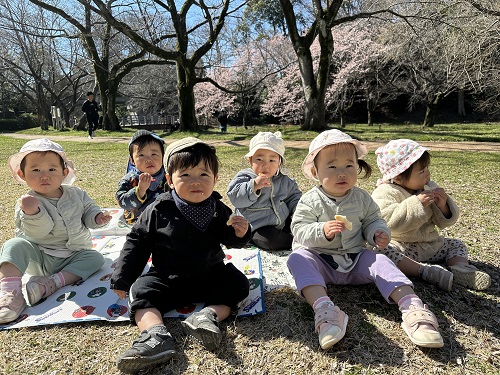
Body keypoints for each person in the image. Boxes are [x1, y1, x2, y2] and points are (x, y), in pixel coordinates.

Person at [287, 129, 444, 350]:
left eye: (349, 166)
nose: (342, 173)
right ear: (315, 171)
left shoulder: (362, 198)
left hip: (355, 259)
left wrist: (377, 233)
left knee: (381, 261)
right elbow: (299, 229)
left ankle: (412, 306)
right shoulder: (310, 200)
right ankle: (325, 309)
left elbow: (374, 220)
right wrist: (322, 229)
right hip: (320, 260)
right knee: (297, 258)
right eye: (332, 167)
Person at [110, 137, 251, 374]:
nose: (195, 182)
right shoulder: (158, 208)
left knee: (238, 284)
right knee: (141, 292)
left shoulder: (217, 208)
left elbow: (230, 238)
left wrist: (240, 233)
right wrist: (123, 276)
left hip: (210, 274)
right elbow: (138, 242)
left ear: (215, 179)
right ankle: (155, 335)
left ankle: (206, 317)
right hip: (167, 277)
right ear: (170, 180)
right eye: (185, 175)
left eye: (204, 175)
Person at [0, 139, 111, 324]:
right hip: (40, 256)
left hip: (74, 255)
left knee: (96, 258)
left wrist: (97, 218)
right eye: (35, 170)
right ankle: (10, 295)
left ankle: (49, 284)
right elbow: (39, 233)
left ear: (64, 173)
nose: (44, 176)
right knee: (13, 245)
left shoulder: (77, 194)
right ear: (22, 174)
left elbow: (89, 211)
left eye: (52, 169)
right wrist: (33, 212)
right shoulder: (26, 202)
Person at [372, 139, 491, 291]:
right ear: (397, 177)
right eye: (421, 171)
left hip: (431, 245)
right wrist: (417, 204)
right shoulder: (385, 192)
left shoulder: (429, 187)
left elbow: (443, 222)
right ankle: (423, 271)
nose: (427, 174)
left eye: (427, 168)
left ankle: (461, 268)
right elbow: (388, 221)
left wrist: (443, 205)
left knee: (456, 244)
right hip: (402, 247)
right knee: (379, 250)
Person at [227, 131, 302, 251]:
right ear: (250, 161)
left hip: (281, 221)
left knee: (300, 224)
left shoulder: (283, 179)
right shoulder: (245, 177)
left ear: (279, 163)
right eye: (260, 159)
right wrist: (254, 186)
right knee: (269, 241)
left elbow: (293, 196)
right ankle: (294, 242)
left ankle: (303, 236)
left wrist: (296, 210)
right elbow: (236, 199)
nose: (266, 165)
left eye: (272, 160)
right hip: (256, 226)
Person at [116, 130, 167, 225]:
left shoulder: (168, 176)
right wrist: (139, 191)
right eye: (141, 155)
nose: (148, 159)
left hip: (164, 222)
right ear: (132, 160)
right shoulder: (129, 179)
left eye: (154, 154)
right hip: (138, 223)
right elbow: (122, 202)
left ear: (163, 156)